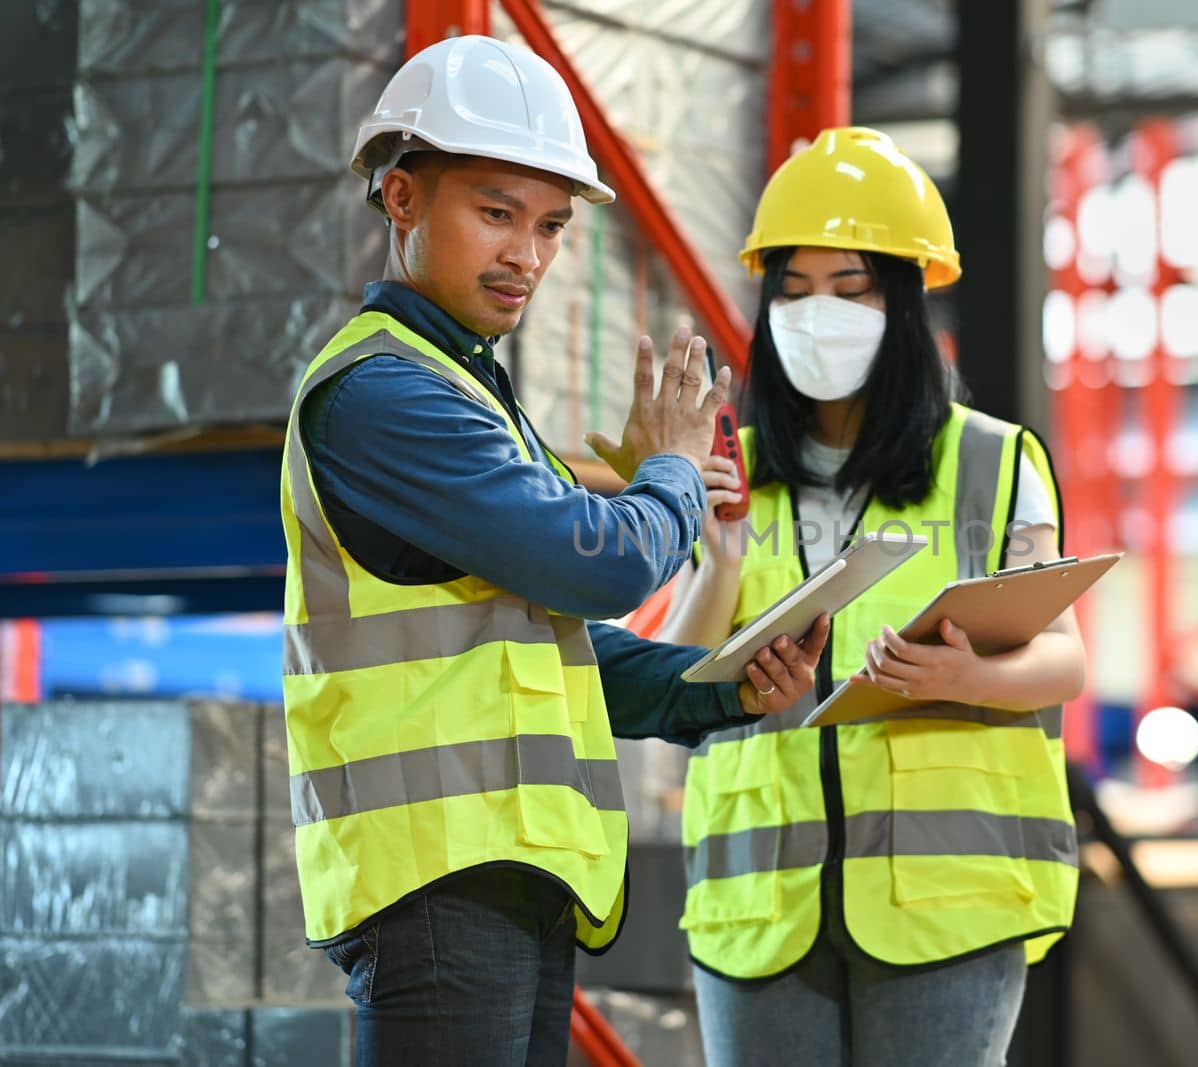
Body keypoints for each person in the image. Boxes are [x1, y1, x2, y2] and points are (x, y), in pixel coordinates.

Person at [277, 36, 828, 1067]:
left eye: (551, 226)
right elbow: (600, 562)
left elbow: (553, 651)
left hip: (505, 876)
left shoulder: (468, 394)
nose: (527, 255)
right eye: (496, 213)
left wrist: (719, 688)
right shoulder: (385, 395)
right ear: (400, 198)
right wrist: (668, 471)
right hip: (437, 879)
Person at [656, 127, 1086, 1067]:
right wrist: (720, 564)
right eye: (795, 291)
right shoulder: (731, 471)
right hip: (760, 902)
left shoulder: (993, 460)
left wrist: (964, 674)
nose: (819, 314)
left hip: (948, 903)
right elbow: (672, 687)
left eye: (849, 290)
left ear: (903, 300)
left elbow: (1066, 658)